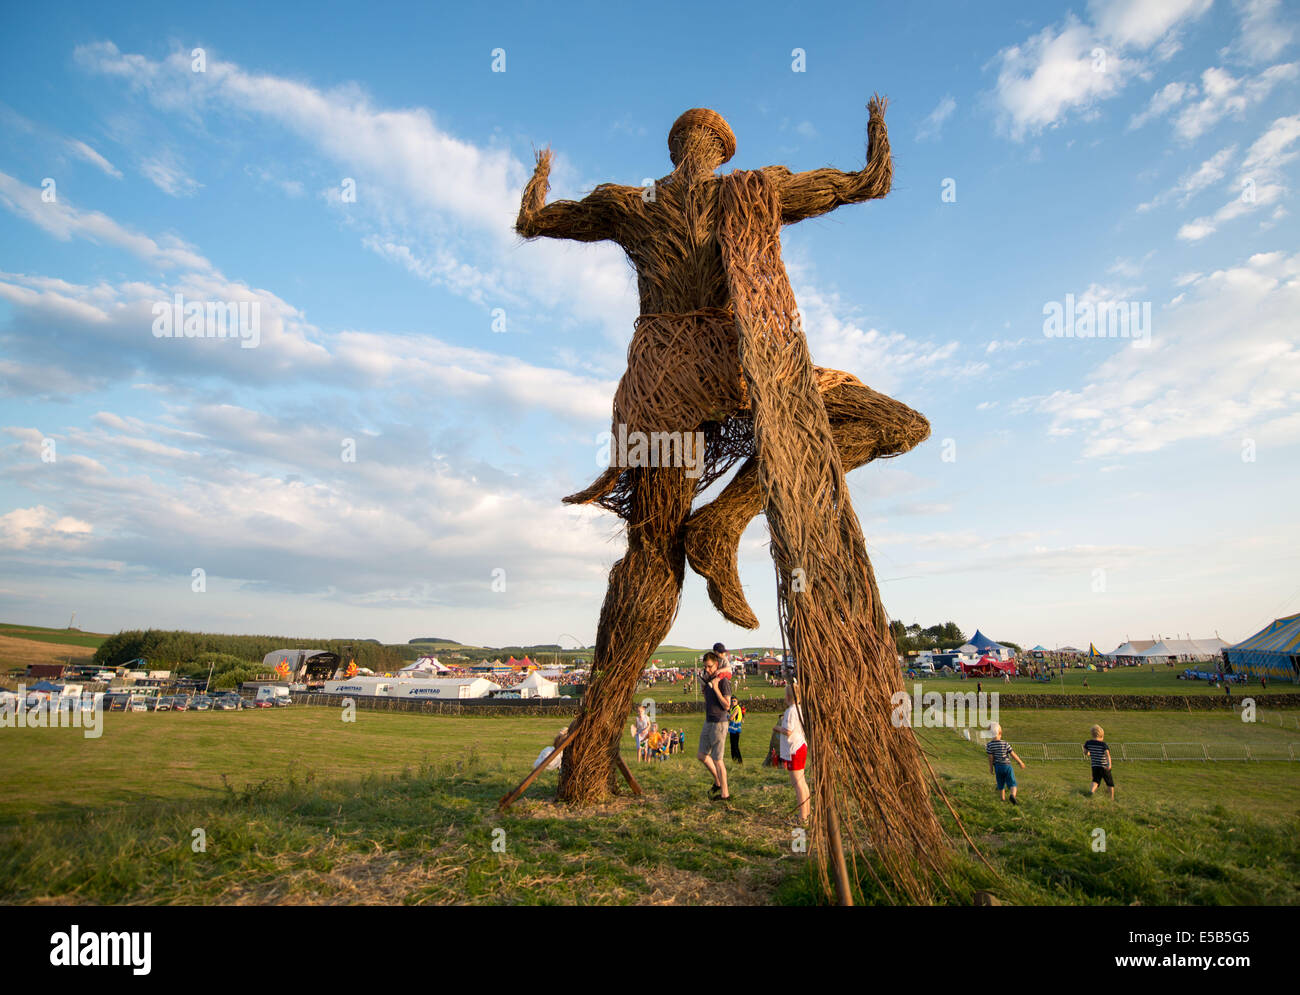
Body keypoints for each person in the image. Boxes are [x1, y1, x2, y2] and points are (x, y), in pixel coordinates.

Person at [696, 650, 732, 801]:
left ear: (717, 664)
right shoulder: (709, 678)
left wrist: (716, 689)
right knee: (702, 755)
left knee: (718, 760)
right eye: (706, 667)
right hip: (708, 721)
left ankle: (725, 794)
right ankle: (718, 782)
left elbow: (727, 705)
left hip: (719, 723)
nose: (708, 669)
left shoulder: (723, 682)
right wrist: (705, 688)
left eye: (710, 666)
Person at [774, 683, 809, 822]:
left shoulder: (790, 711)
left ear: (788, 696)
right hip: (801, 746)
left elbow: (788, 731)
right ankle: (807, 812)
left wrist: (777, 728)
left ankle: (802, 817)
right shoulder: (800, 709)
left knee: (798, 784)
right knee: (803, 782)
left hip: (794, 748)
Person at [986, 723, 1025, 805]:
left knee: (1000, 783)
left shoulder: (989, 745)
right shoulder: (1005, 743)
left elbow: (990, 758)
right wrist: (1020, 762)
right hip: (1007, 766)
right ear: (1000, 733)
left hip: (997, 767)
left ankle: (1002, 799)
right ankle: (1012, 795)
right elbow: (1012, 754)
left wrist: (991, 768)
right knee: (1012, 783)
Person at [1084, 725, 1115, 799]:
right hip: (1104, 766)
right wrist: (1109, 764)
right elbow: (1107, 755)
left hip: (1095, 766)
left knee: (1096, 780)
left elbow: (1085, 752)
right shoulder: (1103, 744)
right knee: (1109, 782)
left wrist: (1089, 754)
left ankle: (1091, 791)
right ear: (1101, 735)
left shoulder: (1088, 743)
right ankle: (1111, 798)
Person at [728, 695, 745, 764]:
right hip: (732, 729)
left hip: (736, 729)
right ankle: (735, 761)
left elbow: (731, 718)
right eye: (731, 701)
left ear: (737, 702)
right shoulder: (732, 708)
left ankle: (739, 761)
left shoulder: (737, 708)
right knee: (732, 746)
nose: (733, 702)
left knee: (735, 746)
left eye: (734, 701)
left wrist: (727, 717)